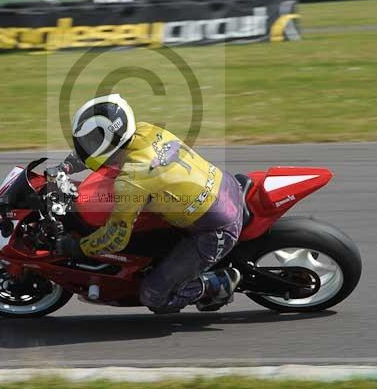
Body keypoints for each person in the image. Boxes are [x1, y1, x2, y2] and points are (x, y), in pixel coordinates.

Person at [48, 94, 244, 313]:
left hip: (215, 228)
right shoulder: (145, 130)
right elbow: (102, 152)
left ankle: (216, 284)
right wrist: (66, 167)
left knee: (154, 295)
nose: (87, 145)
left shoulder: (133, 178)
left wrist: (78, 247)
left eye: (92, 140)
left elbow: (115, 239)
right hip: (225, 185)